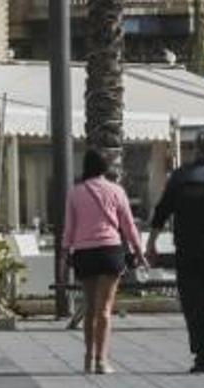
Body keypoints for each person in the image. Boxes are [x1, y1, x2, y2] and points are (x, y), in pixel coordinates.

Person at [146, 130, 204, 373]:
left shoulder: (180, 178)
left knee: (193, 301)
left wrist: (151, 243)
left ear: (195, 149)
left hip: (188, 248)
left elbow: (161, 213)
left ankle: (202, 354)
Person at [62, 149, 146, 375]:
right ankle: (102, 360)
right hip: (110, 251)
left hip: (85, 253)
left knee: (90, 307)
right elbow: (128, 225)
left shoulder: (75, 192)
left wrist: (64, 254)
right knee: (105, 309)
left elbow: (69, 227)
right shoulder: (116, 190)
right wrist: (139, 251)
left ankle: (88, 358)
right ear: (104, 168)